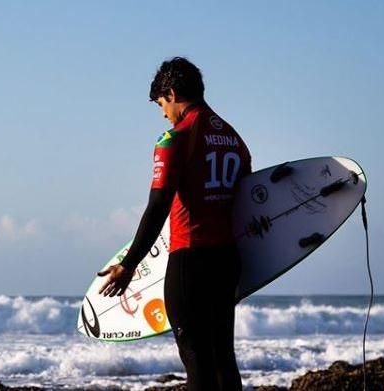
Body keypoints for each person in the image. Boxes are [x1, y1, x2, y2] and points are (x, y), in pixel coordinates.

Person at [98, 57, 251, 391]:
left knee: (196, 357)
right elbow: (247, 197)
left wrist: (129, 264)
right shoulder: (234, 139)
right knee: (223, 355)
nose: (163, 113)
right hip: (228, 260)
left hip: (191, 261)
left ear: (171, 92)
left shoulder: (174, 139)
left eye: (161, 104)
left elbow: (158, 206)